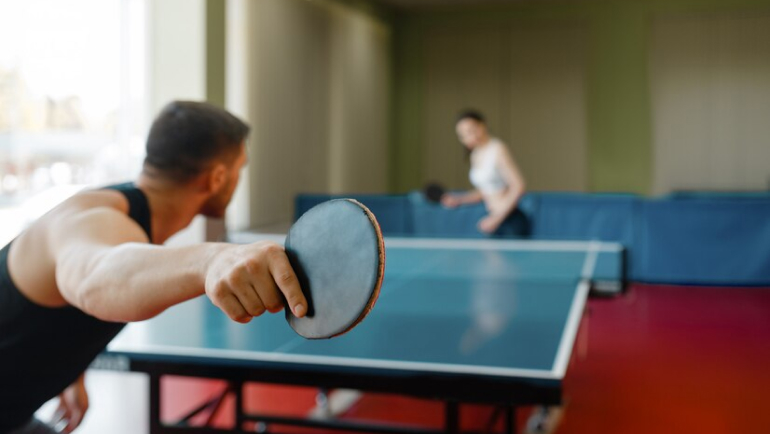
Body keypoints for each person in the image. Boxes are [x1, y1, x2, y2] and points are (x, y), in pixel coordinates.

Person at [0, 101, 308, 434]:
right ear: (219, 177)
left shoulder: (122, 216)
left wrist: (72, 371)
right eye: (239, 168)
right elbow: (94, 278)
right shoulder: (96, 219)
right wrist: (211, 260)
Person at [440, 110, 528, 236]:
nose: (469, 137)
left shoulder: (497, 148)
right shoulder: (475, 155)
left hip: (510, 220)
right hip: (492, 219)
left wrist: (497, 218)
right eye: (463, 135)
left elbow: (518, 186)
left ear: (482, 125)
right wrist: (459, 199)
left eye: (471, 130)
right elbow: (484, 192)